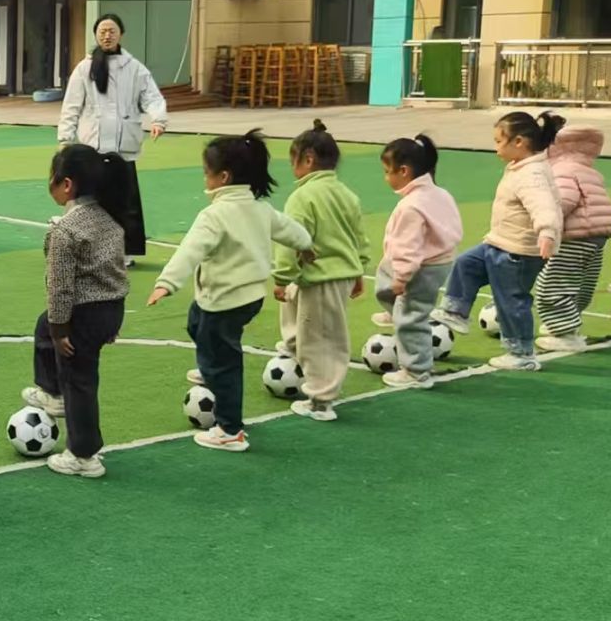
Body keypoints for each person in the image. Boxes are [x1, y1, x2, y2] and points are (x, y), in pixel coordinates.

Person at [148, 132, 312, 454]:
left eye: (206, 172)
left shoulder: (214, 215)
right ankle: (210, 368)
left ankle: (229, 430)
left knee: (224, 362)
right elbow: (289, 229)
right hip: (250, 298)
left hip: (224, 301)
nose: (204, 178)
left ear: (223, 177)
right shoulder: (260, 208)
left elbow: (189, 251)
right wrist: (306, 245)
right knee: (196, 323)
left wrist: (166, 283)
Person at [22, 145, 127, 479]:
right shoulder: (110, 219)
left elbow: (60, 287)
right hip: (111, 309)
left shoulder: (65, 231)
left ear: (66, 184)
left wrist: (60, 329)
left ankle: (83, 454)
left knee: (79, 380)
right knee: (43, 326)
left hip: (82, 314)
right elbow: (115, 272)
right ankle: (52, 392)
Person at [434, 111, 564, 372]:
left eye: (498, 141)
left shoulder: (532, 174)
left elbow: (544, 206)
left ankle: (522, 353)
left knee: (511, 301)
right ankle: (456, 312)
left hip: (518, 252)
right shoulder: (520, 167)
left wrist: (547, 233)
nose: (495, 148)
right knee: (466, 263)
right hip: (499, 243)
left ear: (519, 142)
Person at [272, 120, 369, 422]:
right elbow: (358, 238)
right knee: (297, 312)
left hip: (322, 278)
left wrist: (281, 276)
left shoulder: (303, 196)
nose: (291, 167)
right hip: (333, 275)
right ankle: (293, 349)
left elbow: (290, 238)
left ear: (308, 159)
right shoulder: (347, 194)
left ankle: (321, 400)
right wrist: (358, 270)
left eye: (293, 160)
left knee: (322, 338)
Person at [58, 13, 168, 265]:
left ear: (121, 35)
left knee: (123, 202)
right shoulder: (84, 68)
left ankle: (123, 254)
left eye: (112, 31)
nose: (107, 36)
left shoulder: (134, 68)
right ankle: (79, 248)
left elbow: (152, 96)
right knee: (87, 202)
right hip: (92, 148)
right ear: (96, 35)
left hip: (123, 149)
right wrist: (65, 139)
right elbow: (71, 106)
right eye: (102, 31)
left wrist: (158, 120)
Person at [372, 134, 463, 390]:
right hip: (441, 260)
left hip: (423, 266)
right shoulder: (439, 193)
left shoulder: (411, 207)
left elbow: (407, 248)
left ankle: (416, 371)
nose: (385, 177)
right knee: (385, 279)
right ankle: (395, 311)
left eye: (387, 171)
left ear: (403, 171)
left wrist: (402, 278)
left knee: (411, 315)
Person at [534, 125, 611, 352]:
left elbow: (564, 200)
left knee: (553, 284)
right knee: (582, 283)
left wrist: (543, 219)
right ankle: (566, 323)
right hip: (597, 236)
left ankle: (565, 333)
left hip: (574, 237)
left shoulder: (561, 170)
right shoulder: (588, 170)